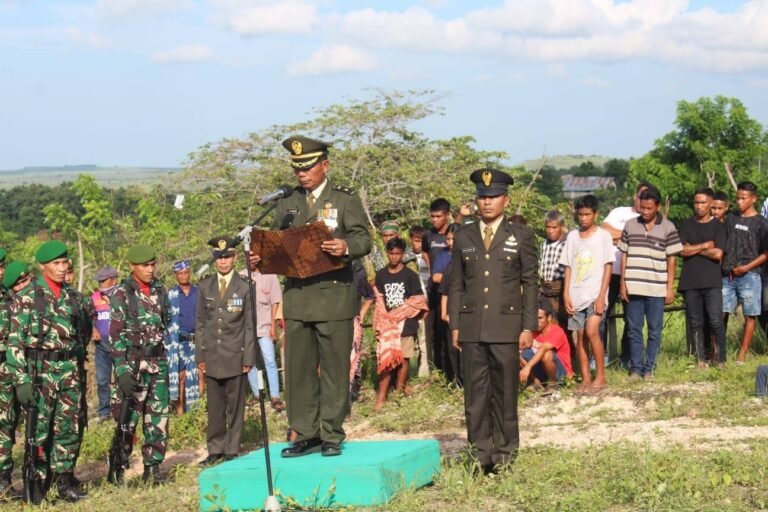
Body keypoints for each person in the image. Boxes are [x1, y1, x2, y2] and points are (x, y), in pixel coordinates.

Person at [254, 136, 371, 458]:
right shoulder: (287, 201)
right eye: (296, 168)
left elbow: (363, 238)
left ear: (325, 165)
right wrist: (261, 256)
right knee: (299, 371)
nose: (301, 173)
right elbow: (278, 243)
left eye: (307, 167)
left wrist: (345, 247)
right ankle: (305, 433)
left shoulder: (344, 199)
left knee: (334, 369)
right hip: (298, 298)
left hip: (333, 297)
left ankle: (331, 433)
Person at [449, 168, 538, 476]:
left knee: (504, 394)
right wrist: (456, 325)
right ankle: (479, 455)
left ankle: (504, 455)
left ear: (506, 200)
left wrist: (528, 327)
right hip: (472, 327)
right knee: (475, 396)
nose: (487, 203)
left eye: (493, 197)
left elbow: (530, 282)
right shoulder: (463, 235)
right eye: (482, 197)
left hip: (506, 326)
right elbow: (457, 283)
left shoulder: (521, 236)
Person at [7, 241, 87, 502]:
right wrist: (21, 381)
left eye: (65, 263)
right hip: (40, 374)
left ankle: (64, 482)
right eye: (56, 264)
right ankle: (38, 482)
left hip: (69, 372)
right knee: (39, 430)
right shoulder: (27, 298)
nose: (63, 268)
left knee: (68, 428)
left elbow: (81, 335)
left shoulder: (73, 297)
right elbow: (15, 343)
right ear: (43, 267)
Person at [108, 244, 169, 484]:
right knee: (127, 420)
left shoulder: (161, 290)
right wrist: (122, 369)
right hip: (132, 364)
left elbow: (164, 325)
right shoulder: (121, 294)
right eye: (145, 265)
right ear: (133, 267)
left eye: (153, 264)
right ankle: (118, 468)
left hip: (158, 363)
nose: (150, 269)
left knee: (158, 418)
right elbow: (115, 336)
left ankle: (152, 469)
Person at [197, 237, 255, 465]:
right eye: (219, 258)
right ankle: (215, 449)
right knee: (215, 406)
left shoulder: (245, 286)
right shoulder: (204, 286)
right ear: (214, 260)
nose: (223, 262)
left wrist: (248, 356)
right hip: (212, 355)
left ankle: (232, 448)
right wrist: (200, 356)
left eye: (227, 257)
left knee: (236, 405)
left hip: (235, 354)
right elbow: (200, 324)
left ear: (235, 257)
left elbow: (249, 326)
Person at [619, 186, 682, 380]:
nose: (645, 212)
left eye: (649, 208)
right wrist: (623, 283)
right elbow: (624, 255)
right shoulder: (630, 225)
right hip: (633, 286)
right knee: (634, 330)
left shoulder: (668, 227)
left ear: (658, 207)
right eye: (642, 207)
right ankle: (636, 369)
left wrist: (669, 288)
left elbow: (672, 259)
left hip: (656, 288)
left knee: (654, 331)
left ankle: (649, 368)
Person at [561, 195, 613, 393]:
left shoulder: (603, 236)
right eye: (580, 214)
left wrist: (601, 296)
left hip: (594, 293)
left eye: (587, 214)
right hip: (576, 295)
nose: (583, 218)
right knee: (580, 336)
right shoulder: (572, 237)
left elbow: (608, 266)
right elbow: (568, 266)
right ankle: (585, 378)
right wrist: (566, 293)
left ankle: (600, 375)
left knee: (592, 332)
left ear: (596, 214)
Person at [372, 237, 427, 410]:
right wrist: (385, 318)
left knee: (403, 359)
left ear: (402, 254)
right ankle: (381, 397)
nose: (394, 257)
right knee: (386, 361)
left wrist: (402, 312)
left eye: (397, 254)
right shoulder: (381, 275)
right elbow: (378, 299)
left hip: (405, 324)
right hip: (387, 325)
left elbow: (417, 300)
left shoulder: (410, 275)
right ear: (387, 253)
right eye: (391, 253)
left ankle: (398, 391)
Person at [600, 182, 649, 366]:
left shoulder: (649, 217)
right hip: (610, 272)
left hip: (633, 275)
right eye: (640, 196)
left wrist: (619, 237)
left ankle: (627, 358)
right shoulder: (620, 212)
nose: (642, 201)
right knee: (601, 313)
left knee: (632, 318)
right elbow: (603, 230)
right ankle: (600, 356)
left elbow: (644, 240)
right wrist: (629, 235)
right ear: (634, 196)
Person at [678, 188, 726, 368]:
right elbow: (681, 250)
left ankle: (720, 359)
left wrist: (693, 248)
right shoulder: (686, 225)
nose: (698, 206)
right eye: (696, 202)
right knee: (695, 322)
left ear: (711, 203)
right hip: (690, 282)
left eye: (703, 203)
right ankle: (700, 359)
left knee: (715, 320)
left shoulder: (719, 227)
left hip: (712, 281)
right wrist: (706, 245)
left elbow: (718, 254)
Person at [721, 181, 768, 364]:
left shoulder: (762, 223)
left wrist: (747, 268)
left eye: (743, 198)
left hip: (751, 275)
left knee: (750, 314)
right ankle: (717, 353)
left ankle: (742, 354)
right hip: (728, 275)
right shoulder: (731, 218)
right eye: (737, 198)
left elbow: (766, 253)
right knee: (720, 312)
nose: (739, 202)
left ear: (754, 199)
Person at [0, 261, 32, 498]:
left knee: (12, 423)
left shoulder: (13, 295)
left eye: (2, 266)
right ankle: (3, 481)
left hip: (18, 365)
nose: (1, 271)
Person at [239, 258, 284, 412]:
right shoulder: (240, 276)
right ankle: (258, 394)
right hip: (246, 328)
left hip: (265, 326)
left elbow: (275, 302)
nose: (251, 260)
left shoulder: (270, 275)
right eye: (248, 257)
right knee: (250, 362)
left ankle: (275, 396)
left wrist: (273, 326)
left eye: (254, 257)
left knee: (270, 360)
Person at [166, 260, 201, 414]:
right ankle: (180, 409)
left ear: (189, 273)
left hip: (196, 338)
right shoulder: (171, 295)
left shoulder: (198, 292)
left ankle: (196, 409)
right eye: (180, 273)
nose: (183, 276)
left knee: (198, 373)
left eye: (186, 272)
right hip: (178, 340)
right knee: (181, 376)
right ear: (175, 276)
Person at [519, 300, 574, 393]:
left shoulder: (557, 331)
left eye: (540, 318)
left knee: (547, 354)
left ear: (549, 318)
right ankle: (535, 382)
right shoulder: (532, 332)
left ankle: (552, 384)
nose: (536, 321)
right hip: (542, 370)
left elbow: (544, 349)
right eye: (534, 318)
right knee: (518, 353)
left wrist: (527, 367)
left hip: (561, 373)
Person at [91, 265, 119, 421]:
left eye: (104, 280)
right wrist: (93, 329)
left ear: (114, 280)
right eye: (99, 280)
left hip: (120, 344)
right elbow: (90, 317)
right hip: (102, 345)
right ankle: (104, 413)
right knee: (103, 380)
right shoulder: (95, 297)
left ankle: (121, 411)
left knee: (122, 378)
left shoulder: (122, 295)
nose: (100, 283)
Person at [538, 210, 569, 334]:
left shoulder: (567, 244)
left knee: (563, 327)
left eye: (554, 227)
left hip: (561, 289)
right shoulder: (544, 244)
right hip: (546, 290)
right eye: (548, 227)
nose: (551, 231)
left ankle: (567, 352)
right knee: (547, 327)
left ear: (561, 227)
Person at [409, 225, 431, 377]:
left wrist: (427, 258)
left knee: (424, 337)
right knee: (412, 337)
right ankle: (410, 370)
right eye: (416, 240)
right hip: (411, 301)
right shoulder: (406, 257)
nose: (419, 244)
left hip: (426, 300)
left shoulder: (429, 255)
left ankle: (424, 370)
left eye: (422, 241)